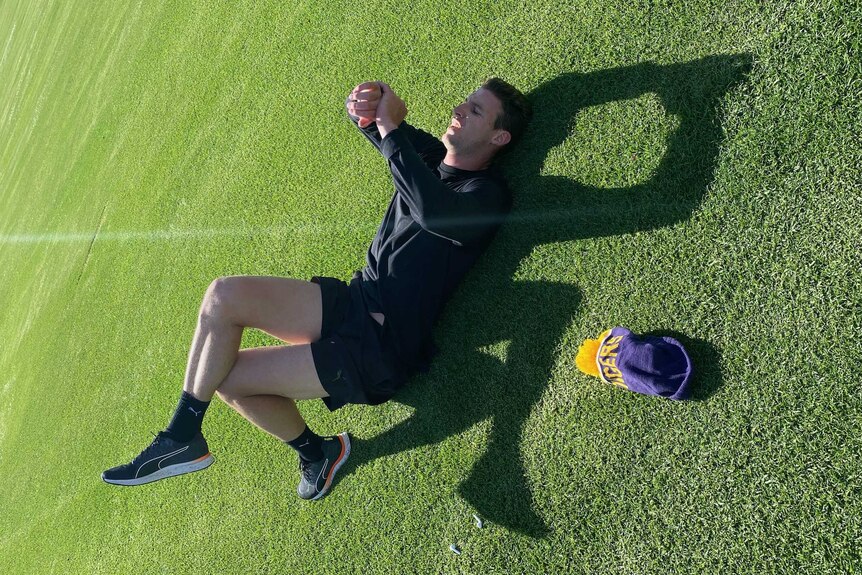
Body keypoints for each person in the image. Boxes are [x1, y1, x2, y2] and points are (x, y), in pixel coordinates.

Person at [102, 78, 533, 500]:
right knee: (222, 296)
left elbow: (432, 212)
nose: (458, 111)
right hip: (355, 301)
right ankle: (185, 434)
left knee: (229, 380)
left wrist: (390, 131)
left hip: (379, 347)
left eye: (475, 111)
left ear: (499, 136)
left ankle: (312, 454)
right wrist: (367, 106)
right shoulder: (430, 157)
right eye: (464, 103)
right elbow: (374, 129)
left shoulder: (487, 195)